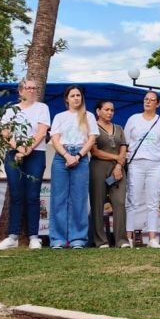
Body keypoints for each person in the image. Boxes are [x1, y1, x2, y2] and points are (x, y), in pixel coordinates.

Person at [0, 79, 50, 251]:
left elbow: (42, 132)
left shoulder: (42, 108)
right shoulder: (11, 110)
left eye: (34, 88)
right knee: (16, 194)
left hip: (36, 153)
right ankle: (13, 236)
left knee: (33, 195)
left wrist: (27, 149)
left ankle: (34, 237)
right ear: (20, 91)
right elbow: (5, 132)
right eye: (28, 88)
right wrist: (18, 147)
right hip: (14, 153)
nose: (31, 90)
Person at [49, 85, 98, 249]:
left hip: (81, 157)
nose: (76, 98)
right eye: (72, 95)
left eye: (78, 95)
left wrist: (77, 156)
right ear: (67, 99)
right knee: (59, 198)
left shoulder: (89, 116)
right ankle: (58, 239)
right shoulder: (59, 116)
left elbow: (91, 139)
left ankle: (78, 238)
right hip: (61, 157)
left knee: (79, 199)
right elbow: (55, 139)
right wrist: (67, 156)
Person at [124, 91, 160, 248]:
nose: (148, 102)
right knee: (133, 200)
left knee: (153, 201)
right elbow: (126, 142)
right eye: (146, 99)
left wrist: (155, 154)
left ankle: (152, 238)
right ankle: (129, 238)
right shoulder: (133, 119)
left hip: (155, 164)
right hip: (136, 163)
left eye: (152, 100)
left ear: (158, 103)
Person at [89, 100, 128, 248]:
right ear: (98, 111)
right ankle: (101, 240)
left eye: (112, 110)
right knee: (97, 204)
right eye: (106, 109)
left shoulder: (119, 128)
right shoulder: (92, 128)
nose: (110, 112)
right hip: (98, 168)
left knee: (120, 202)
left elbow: (123, 148)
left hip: (117, 169)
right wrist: (116, 157)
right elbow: (95, 151)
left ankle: (121, 240)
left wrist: (118, 165)